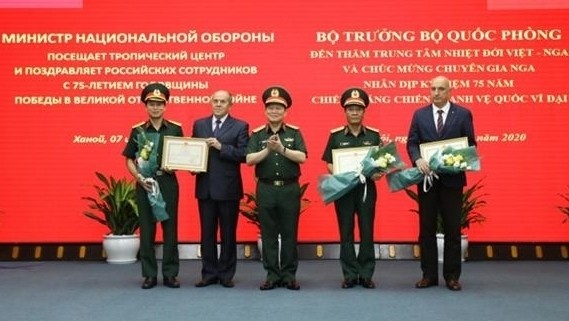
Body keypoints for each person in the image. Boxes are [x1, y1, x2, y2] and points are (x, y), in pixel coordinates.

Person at [406, 75, 477, 291]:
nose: (436, 93)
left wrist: (457, 160)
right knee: (426, 229)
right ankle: (428, 275)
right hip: (427, 180)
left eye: (441, 89)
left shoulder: (463, 114)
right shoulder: (420, 115)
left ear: (449, 91)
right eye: (433, 89)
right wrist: (417, 159)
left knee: (452, 230)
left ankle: (452, 276)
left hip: (452, 181)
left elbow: (470, 144)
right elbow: (412, 143)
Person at [122, 83, 183, 289]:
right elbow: (129, 159)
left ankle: (170, 273)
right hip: (145, 184)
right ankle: (149, 274)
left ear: (165, 106)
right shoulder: (138, 130)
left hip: (167, 182)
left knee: (170, 229)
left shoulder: (175, 128)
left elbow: (184, 156)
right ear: (145, 106)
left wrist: (176, 165)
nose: (155, 107)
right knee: (147, 230)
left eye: (159, 104)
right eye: (151, 104)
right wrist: (138, 177)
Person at [246, 86, 307, 291]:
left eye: (279, 108)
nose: (274, 111)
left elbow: (302, 157)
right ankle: (272, 275)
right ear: (265, 111)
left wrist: (281, 149)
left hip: (289, 189)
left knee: (290, 233)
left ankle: (289, 275)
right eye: (271, 107)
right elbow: (249, 160)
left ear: (285, 111)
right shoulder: (256, 134)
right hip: (266, 188)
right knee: (269, 234)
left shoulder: (294, 132)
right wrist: (267, 149)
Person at [321, 88, 383, 289]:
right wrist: (339, 173)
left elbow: (381, 163)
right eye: (350, 109)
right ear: (345, 112)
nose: (354, 112)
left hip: (366, 189)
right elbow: (329, 162)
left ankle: (366, 274)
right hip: (344, 191)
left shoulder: (374, 135)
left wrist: (378, 172)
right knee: (346, 232)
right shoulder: (336, 136)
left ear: (364, 112)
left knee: (367, 231)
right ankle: (349, 274)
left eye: (358, 109)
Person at [191, 90, 249, 288]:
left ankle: (226, 274)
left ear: (230, 105)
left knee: (228, 233)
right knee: (206, 233)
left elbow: (244, 154)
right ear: (210, 102)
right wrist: (190, 164)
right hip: (205, 187)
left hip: (228, 189)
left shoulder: (240, 126)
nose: (218, 104)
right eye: (215, 101)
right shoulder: (200, 124)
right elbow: (193, 150)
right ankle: (208, 273)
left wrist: (221, 146)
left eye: (222, 102)